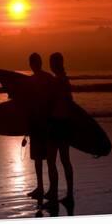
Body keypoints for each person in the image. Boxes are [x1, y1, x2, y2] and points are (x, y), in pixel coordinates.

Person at [45, 52, 74, 209]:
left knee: (52, 160)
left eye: (51, 62)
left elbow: (51, 103)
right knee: (64, 160)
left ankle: (54, 192)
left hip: (57, 123)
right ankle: (68, 194)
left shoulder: (58, 81)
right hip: (65, 123)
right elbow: (70, 103)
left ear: (55, 64)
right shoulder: (65, 80)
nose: (50, 65)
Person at [25, 52, 56, 201]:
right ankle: (46, 188)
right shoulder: (49, 78)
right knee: (46, 159)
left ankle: (44, 188)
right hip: (46, 123)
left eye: (33, 63)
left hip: (40, 124)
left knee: (42, 159)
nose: (33, 65)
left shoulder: (32, 81)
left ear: (33, 64)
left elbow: (28, 103)